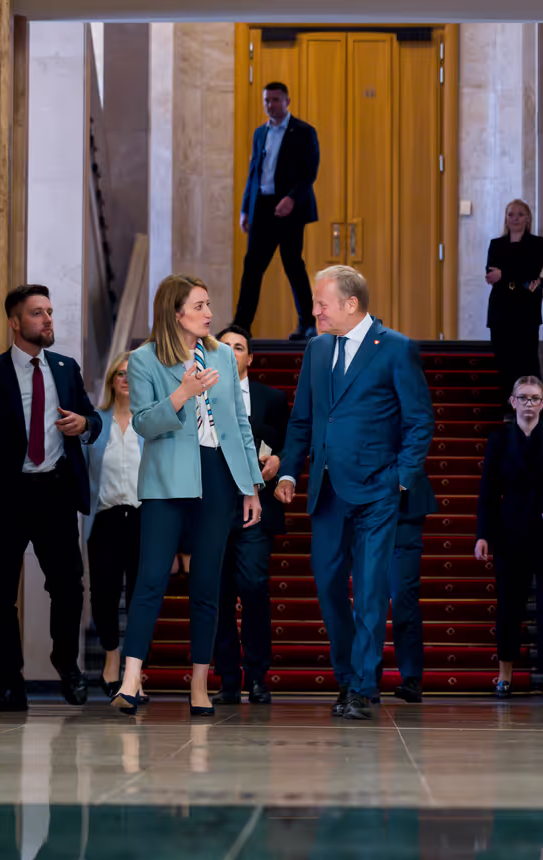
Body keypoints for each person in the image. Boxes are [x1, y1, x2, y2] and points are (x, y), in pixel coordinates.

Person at [275, 266, 435, 720]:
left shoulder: (397, 349)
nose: (315, 311)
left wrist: (400, 478)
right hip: (326, 491)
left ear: (351, 304)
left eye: (322, 303)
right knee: (328, 587)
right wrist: (288, 473)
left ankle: (360, 686)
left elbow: (420, 419)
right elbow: (303, 419)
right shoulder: (317, 349)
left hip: (378, 492)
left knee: (368, 591)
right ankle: (348, 675)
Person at [110, 275, 263, 717]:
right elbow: (143, 424)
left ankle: (199, 682)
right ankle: (131, 678)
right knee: (151, 578)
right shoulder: (144, 360)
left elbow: (238, 425)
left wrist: (250, 485)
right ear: (176, 313)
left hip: (217, 474)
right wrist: (182, 393)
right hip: (166, 479)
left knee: (206, 584)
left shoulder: (220, 355)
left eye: (209, 305)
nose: (208, 314)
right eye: (199, 306)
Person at [0, 284, 102, 713]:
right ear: (15, 322)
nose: (48, 320)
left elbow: (92, 417)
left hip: (55, 492)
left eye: (50, 312)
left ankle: (64, 661)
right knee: (0, 595)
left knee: (69, 587)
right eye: (38, 313)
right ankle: (9, 683)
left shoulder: (66, 368)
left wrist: (85, 424)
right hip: (5, 498)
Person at [475, 376, 543, 701]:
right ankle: (504, 677)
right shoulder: (499, 440)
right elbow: (488, 494)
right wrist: (483, 535)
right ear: (513, 402)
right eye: (524, 398)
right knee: (509, 606)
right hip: (510, 535)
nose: (530, 404)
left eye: (535, 398)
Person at [212, 325, 290, 705]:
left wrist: (280, 462)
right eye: (223, 346)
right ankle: (228, 677)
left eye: (238, 347)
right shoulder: (201, 395)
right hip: (212, 508)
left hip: (257, 509)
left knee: (254, 587)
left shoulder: (271, 399)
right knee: (219, 594)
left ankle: (258, 675)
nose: (231, 352)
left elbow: (291, 444)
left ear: (250, 357)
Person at [235, 82, 320, 341]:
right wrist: (245, 208)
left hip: (290, 209)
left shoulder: (303, 131)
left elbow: (310, 172)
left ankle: (307, 324)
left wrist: (292, 198)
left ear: (287, 101)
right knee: (252, 266)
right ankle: (241, 325)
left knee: (293, 263)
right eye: (266, 100)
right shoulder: (260, 133)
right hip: (262, 207)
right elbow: (254, 172)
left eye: (275, 100)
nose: (270, 105)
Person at [85, 353, 147, 701]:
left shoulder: (149, 423)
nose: (126, 379)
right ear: (111, 381)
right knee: (104, 596)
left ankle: (135, 672)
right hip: (106, 519)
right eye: (120, 374)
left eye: (132, 374)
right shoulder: (96, 423)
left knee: (140, 598)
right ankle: (112, 658)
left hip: (142, 521)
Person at [486, 199, 543, 412]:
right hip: (501, 312)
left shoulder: (536, 244)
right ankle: (507, 408)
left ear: (527, 218)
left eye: (520, 214)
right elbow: (491, 274)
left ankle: (528, 409)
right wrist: (517, 279)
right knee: (504, 363)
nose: (515, 218)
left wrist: (505, 275)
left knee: (526, 363)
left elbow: (533, 270)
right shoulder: (496, 244)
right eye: (511, 214)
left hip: (525, 313)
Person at [389, 476, 438, 704]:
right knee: (368, 598)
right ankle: (365, 679)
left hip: (406, 505)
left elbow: (415, 442)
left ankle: (410, 678)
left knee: (404, 596)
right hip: (363, 504)